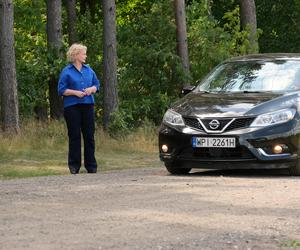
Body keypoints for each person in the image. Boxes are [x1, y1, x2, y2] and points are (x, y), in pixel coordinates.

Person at [58, 43, 100, 174]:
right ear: (76, 55)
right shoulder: (66, 71)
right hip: (72, 107)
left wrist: (91, 89)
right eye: (83, 53)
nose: (85, 56)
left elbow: (97, 85)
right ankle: (74, 166)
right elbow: (61, 90)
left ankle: (91, 166)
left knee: (89, 136)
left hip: (88, 105)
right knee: (74, 136)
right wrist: (75, 93)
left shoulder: (89, 70)